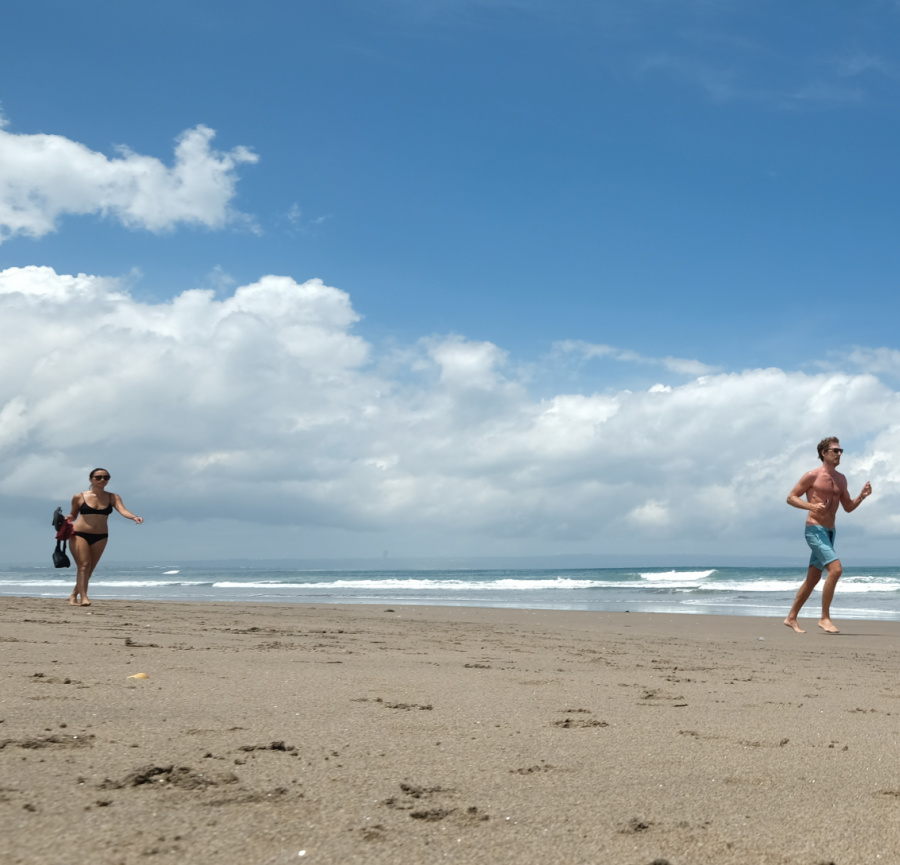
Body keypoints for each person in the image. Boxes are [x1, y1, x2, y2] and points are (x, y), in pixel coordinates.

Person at [784, 437, 872, 634]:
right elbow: (790, 497)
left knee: (813, 578)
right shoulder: (812, 475)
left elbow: (848, 507)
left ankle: (791, 617)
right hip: (814, 529)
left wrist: (862, 496)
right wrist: (811, 506)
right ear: (824, 453)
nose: (839, 454)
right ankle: (824, 618)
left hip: (830, 532)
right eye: (835, 451)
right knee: (836, 569)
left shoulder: (841, 479)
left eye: (841, 451)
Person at [65, 468, 143, 606]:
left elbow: (122, 510)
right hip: (79, 534)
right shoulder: (79, 496)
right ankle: (84, 598)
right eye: (99, 477)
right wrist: (67, 518)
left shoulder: (113, 497)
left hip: (101, 535)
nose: (102, 480)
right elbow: (74, 514)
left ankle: (73, 595)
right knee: (83, 566)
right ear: (91, 479)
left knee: (90, 568)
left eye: (106, 477)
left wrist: (134, 517)